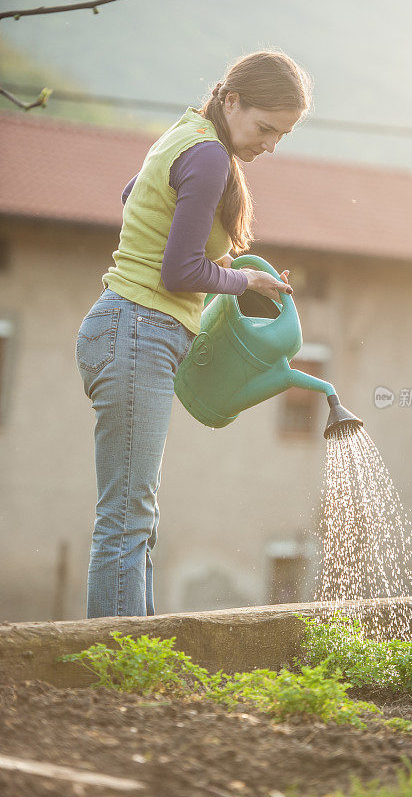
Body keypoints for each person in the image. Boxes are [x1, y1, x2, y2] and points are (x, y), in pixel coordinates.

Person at [75, 49, 313, 619]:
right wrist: (239, 278)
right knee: (127, 520)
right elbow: (178, 273)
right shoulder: (209, 156)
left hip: (125, 327)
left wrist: (218, 255)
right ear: (232, 100)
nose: (269, 145)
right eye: (264, 128)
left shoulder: (189, 131)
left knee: (137, 517)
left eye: (281, 135)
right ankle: (116, 671)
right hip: (138, 329)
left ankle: (138, 655)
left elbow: (135, 196)